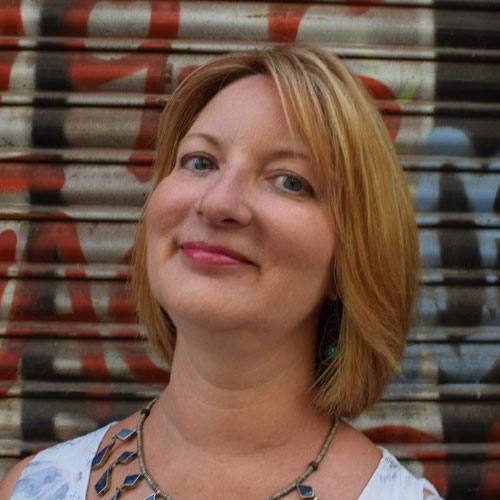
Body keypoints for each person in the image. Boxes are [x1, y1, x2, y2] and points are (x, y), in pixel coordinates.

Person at [0, 43, 443, 500]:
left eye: (289, 181)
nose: (218, 202)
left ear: (349, 258)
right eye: (200, 162)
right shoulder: (31, 489)